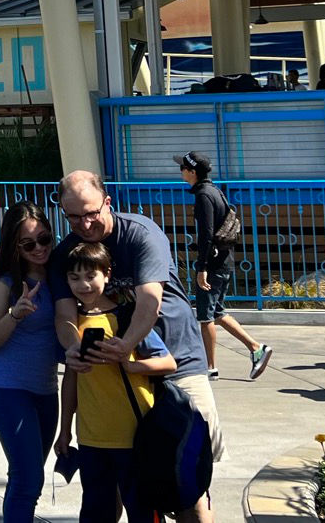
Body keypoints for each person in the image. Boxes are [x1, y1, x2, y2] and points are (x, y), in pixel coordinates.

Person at [53, 170, 222, 523]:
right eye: (73, 216)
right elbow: (65, 313)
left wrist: (125, 346)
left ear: (107, 203)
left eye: (91, 212)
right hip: (121, 388)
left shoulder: (140, 234)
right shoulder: (68, 253)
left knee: (185, 484)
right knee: (114, 490)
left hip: (179, 364)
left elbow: (149, 302)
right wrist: (73, 347)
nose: (83, 223)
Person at [56, 240, 181, 523]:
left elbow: (168, 363)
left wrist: (129, 363)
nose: (83, 285)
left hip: (134, 435)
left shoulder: (127, 317)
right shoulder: (71, 324)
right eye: (74, 277)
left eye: (91, 276)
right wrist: (65, 431)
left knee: (142, 512)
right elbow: (71, 382)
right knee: (95, 513)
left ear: (107, 274)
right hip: (91, 438)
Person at [0, 201, 62, 523]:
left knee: (28, 477)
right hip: (7, 389)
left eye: (44, 238)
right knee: (28, 479)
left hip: (45, 390)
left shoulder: (58, 275)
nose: (39, 248)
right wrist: (15, 315)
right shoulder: (4, 283)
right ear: (14, 245)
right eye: (29, 243)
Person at [177, 153, 273, 380]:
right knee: (218, 312)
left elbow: (207, 234)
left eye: (183, 167)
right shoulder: (215, 191)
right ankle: (256, 348)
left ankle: (210, 368)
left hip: (213, 264)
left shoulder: (203, 195)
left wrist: (202, 268)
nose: (180, 170)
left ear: (192, 172)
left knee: (205, 317)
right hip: (225, 260)